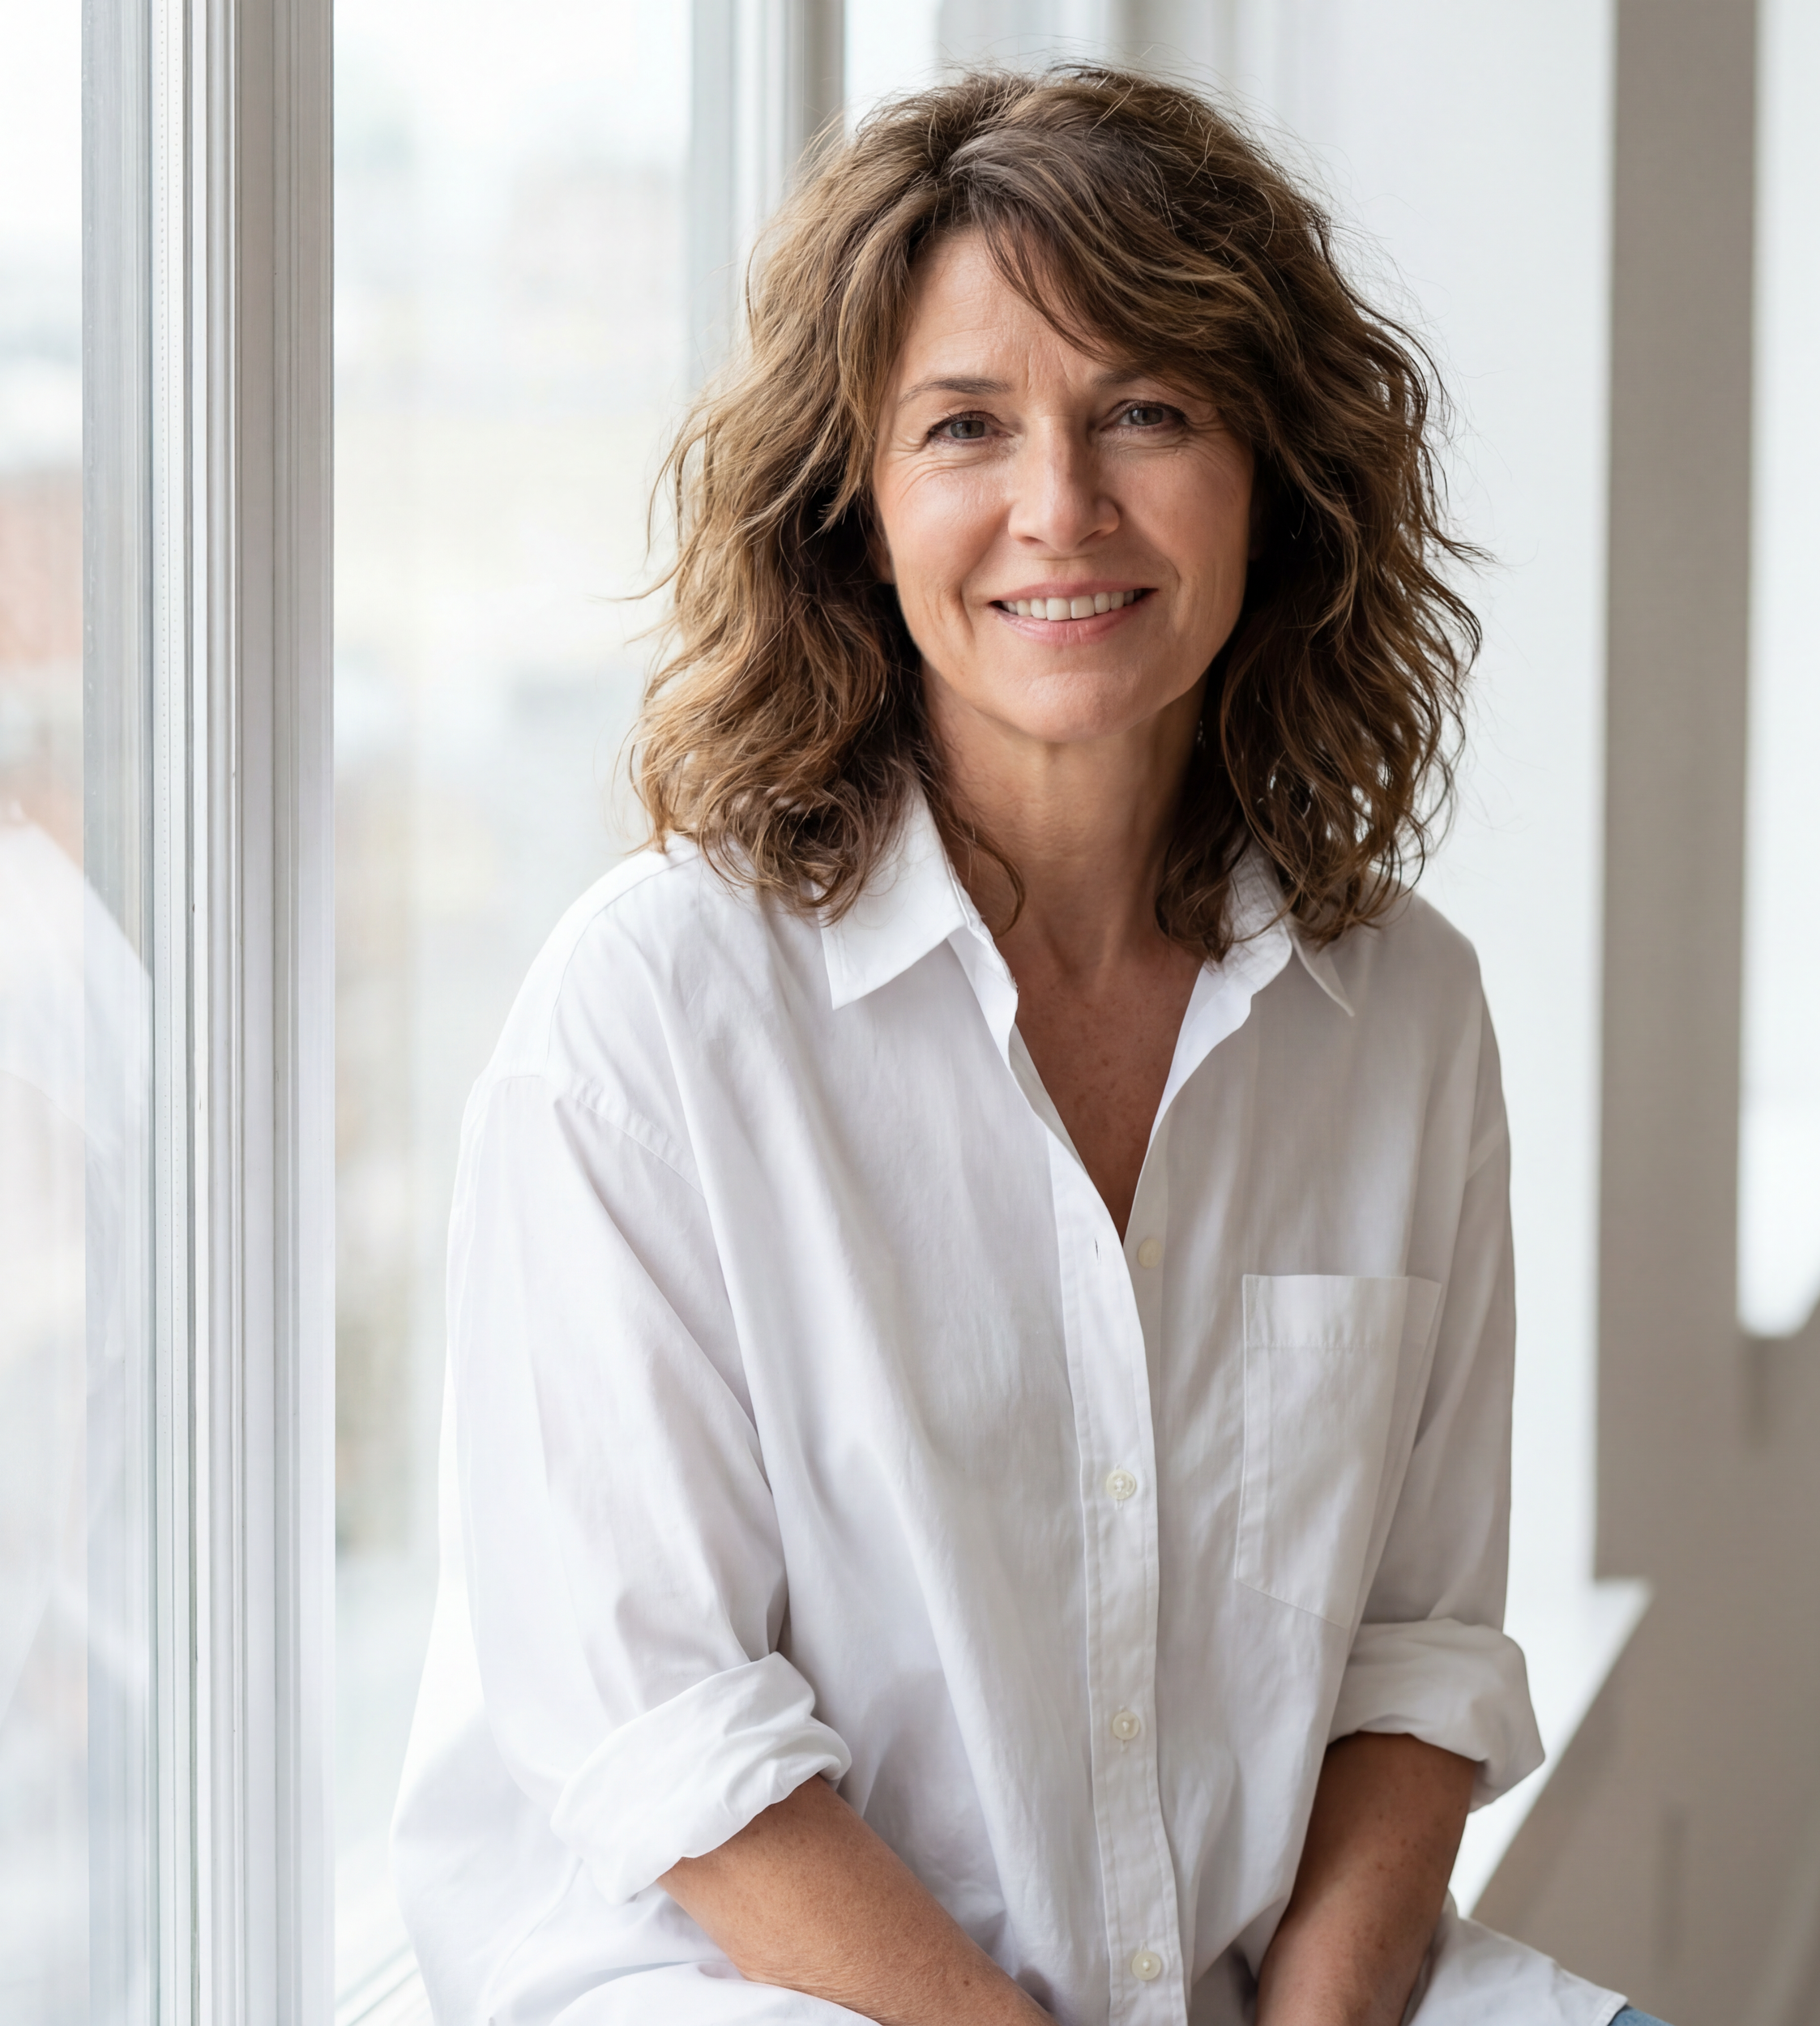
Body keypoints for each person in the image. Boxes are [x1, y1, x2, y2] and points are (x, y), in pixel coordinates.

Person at [392, 66, 1672, 2026]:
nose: (1058, 506)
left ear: (1274, 474)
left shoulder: (1400, 1011)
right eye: (964, 426)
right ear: (856, 505)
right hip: (749, 1978)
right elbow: (667, 1742)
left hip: (1226, 1976)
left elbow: (1412, 1653)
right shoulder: (649, 1015)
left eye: (1144, 410)